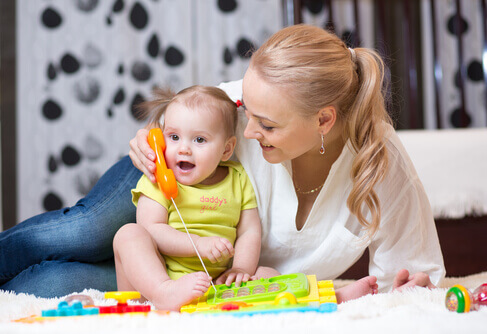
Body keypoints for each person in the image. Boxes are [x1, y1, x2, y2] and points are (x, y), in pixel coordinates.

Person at [0, 24, 443, 298]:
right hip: (172, 184)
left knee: (55, 285)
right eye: (247, 112)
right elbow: (183, 123)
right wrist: (155, 138)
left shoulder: (378, 163)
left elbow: (413, 274)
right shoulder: (242, 105)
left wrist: (410, 291)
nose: (246, 132)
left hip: (203, 275)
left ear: (324, 120)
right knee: (87, 231)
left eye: (266, 126)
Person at [113, 85, 262, 311]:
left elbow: (250, 231)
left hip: (216, 282)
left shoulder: (238, 179)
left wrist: (240, 269)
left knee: (269, 273)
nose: (183, 149)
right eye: (173, 137)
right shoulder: (159, 179)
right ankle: (163, 293)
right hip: (159, 277)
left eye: (199, 140)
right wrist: (198, 245)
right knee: (128, 235)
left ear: (226, 149)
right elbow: (151, 229)